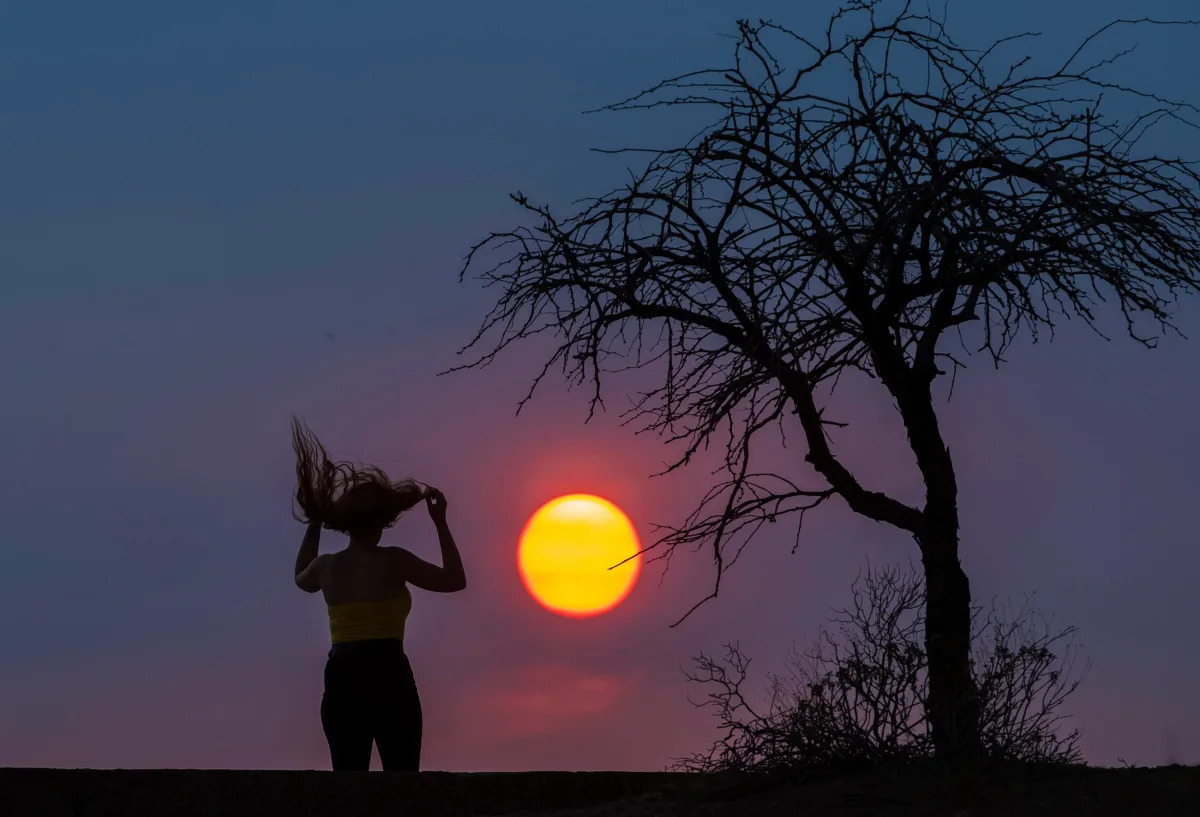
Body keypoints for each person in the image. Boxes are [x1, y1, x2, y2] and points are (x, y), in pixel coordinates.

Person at [289, 417, 466, 772]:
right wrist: (440, 523)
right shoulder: (393, 561)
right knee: (401, 781)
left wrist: (313, 525)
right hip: (389, 673)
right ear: (384, 522)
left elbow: (300, 578)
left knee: (349, 779)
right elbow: (454, 580)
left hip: (342, 674)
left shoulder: (325, 567)